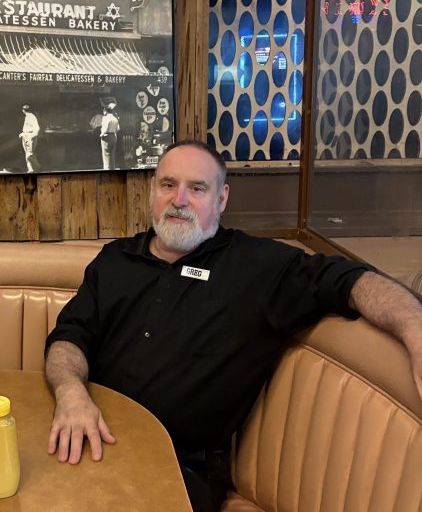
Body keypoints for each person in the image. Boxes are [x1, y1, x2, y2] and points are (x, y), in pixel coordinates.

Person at [44, 139, 422, 512]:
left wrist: (413, 326)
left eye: (197, 188)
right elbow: (69, 338)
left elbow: (351, 281)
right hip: (89, 441)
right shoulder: (115, 259)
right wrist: (71, 392)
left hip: (177, 469)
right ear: (152, 191)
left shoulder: (256, 268)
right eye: (168, 185)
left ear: (221, 199)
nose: (179, 200)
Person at [19, 104, 40, 172]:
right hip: (25, 135)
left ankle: (36, 166)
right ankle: (31, 168)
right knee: (27, 153)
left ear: (23, 110)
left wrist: (32, 135)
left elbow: (37, 128)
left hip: (30, 136)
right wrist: (23, 134)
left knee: (29, 154)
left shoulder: (32, 117)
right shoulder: (27, 116)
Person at [100, 103, 120, 170]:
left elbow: (105, 129)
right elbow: (118, 129)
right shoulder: (115, 118)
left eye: (103, 111)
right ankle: (112, 168)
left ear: (105, 111)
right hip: (113, 136)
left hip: (107, 137)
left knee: (106, 155)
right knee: (112, 155)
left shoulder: (106, 118)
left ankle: (107, 169)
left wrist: (101, 134)